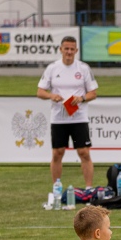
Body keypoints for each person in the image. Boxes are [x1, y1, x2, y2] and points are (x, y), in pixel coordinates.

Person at [37, 35, 98, 194]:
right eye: (66, 49)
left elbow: (93, 93)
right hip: (58, 118)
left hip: (79, 117)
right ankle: (57, 188)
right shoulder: (52, 68)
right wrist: (52, 96)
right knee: (57, 153)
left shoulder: (83, 68)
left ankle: (89, 189)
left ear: (76, 50)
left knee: (84, 152)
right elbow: (40, 92)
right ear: (61, 49)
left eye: (72, 49)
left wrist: (81, 98)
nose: (69, 52)